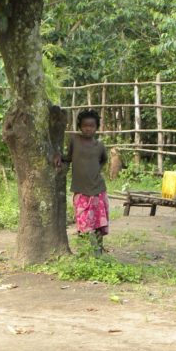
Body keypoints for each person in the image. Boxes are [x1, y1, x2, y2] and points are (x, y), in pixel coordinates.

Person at [55, 109, 109, 254]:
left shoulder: (99, 146)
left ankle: (98, 252)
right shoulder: (74, 140)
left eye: (91, 126)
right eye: (85, 125)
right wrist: (60, 157)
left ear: (96, 127)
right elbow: (69, 156)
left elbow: (103, 160)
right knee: (83, 223)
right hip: (81, 192)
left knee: (98, 224)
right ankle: (85, 252)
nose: (88, 129)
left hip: (98, 190)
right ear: (80, 126)